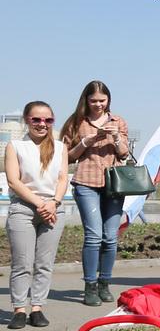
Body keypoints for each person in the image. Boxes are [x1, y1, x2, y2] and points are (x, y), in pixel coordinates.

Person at [60, 80, 131, 306]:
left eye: (102, 100)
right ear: (86, 100)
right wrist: (86, 141)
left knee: (110, 237)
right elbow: (68, 156)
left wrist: (116, 136)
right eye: (93, 100)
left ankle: (104, 283)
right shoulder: (76, 122)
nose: (98, 104)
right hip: (85, 182)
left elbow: (123, 154)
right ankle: (89, 286)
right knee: (93, 235)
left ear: (108, 99)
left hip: (113, 184)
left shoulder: (118, 121)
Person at [5, 102, 69, 329]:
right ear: (26, 120)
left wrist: (54, 203)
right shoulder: (15, 145)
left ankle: (37, 307)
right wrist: (41, 203)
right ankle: (19, 309)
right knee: (22, 263)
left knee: (44, 263)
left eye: (48, 120)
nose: (42, 125)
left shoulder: (60, 147)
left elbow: (63, 178)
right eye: (36, 120)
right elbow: (14, 180)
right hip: (23, 208)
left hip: (53, 209)